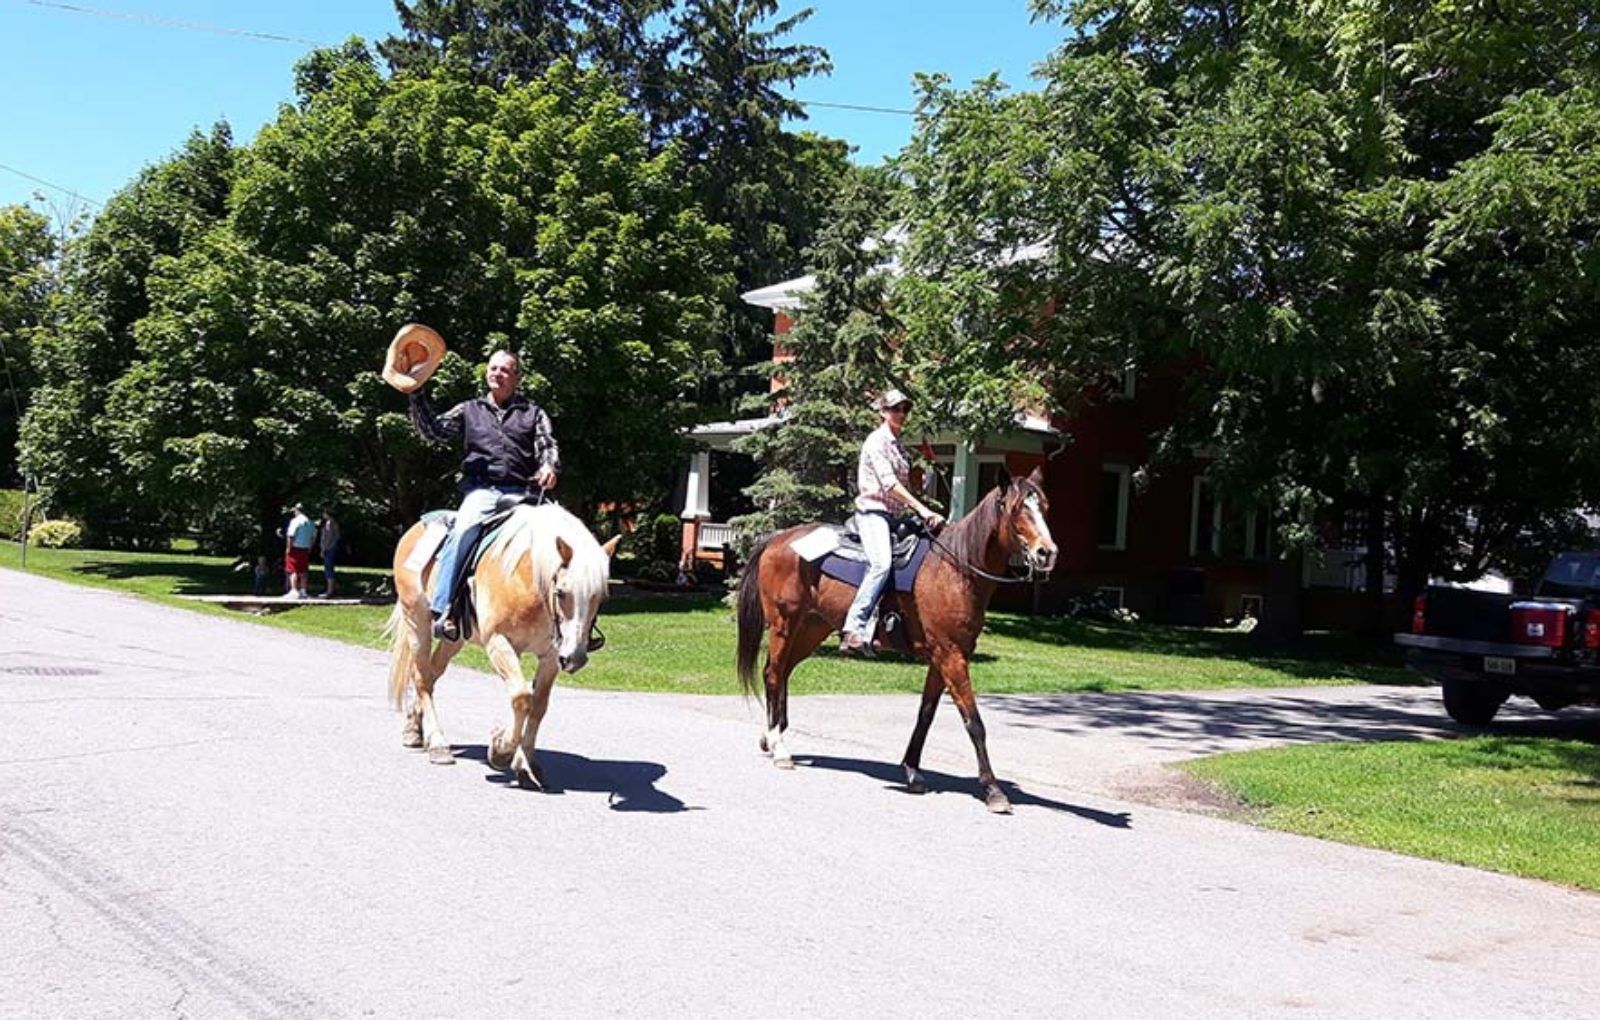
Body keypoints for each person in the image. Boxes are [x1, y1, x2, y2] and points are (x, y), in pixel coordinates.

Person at [410, 349, 559, 640]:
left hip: (523, 494)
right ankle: (444, 609)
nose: (497, 374)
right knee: (463, 531)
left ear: (517, 377)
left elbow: (547, 445)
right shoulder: (469, 410)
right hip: (483, 492)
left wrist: (549, 466)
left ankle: (564, 620)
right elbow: (434, 431)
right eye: (493, 368)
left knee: (559, 534)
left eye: (504, 370)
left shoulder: (533, 413)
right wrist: (417, 394)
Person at [840, 388, 945, 653]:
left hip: (895, 517)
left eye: (905, 409)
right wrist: (922, 510)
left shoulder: (898, 446)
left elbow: (905, 487)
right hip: (872, 513)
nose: (901, 413)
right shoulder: (876, 442)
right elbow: (889, 485)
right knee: (881, 564)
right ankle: (854, 627)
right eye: (895, 409)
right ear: (883, 412)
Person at [283, 503, 316, 600]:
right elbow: (313, 537)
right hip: (305, 548)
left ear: (297, 510)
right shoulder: (310, 522)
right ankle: (303, 591)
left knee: (293, 569)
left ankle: (294, 590)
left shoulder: (295, 521)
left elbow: (291, 536)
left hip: (295, 548)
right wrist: (310, 547)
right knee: (303, 570)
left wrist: (288, 548)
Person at [316, 509, 341, 598]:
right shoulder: (334, 523)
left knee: (328, 569)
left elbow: (327, 538)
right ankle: (333, 588)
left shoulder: (329, 523)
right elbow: (337, 536)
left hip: (328, 549)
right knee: (330, 568)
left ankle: (329, 591)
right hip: (332, 548)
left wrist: (323, 549)